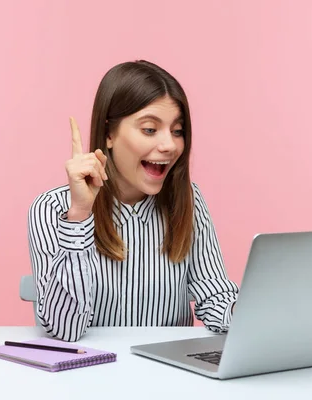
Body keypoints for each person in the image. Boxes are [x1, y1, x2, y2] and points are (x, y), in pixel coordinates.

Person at [27, 60, 239, 342]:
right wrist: (79, 215)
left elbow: (215, 297)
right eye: (150, 129)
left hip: (168, 373)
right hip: (89, 375)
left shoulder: (189, 200)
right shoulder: (52, 208)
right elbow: (65, 330)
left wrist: (250, 312)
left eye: (177, 131)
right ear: (109, 134)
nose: (169, 145)